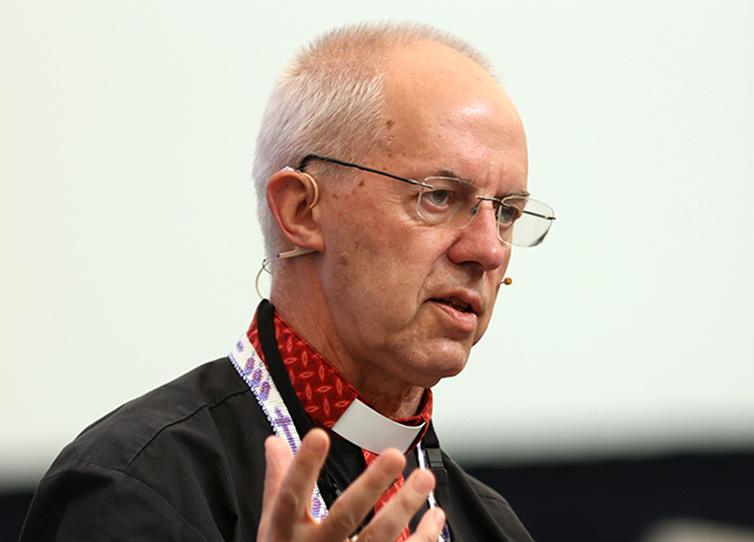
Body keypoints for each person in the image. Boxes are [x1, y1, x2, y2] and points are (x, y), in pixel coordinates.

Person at [19, 22, 554, 542]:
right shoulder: (133, 489)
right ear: (301, 210)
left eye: (506, 212)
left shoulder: (490, 524)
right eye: (438, 196)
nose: (486, 249)